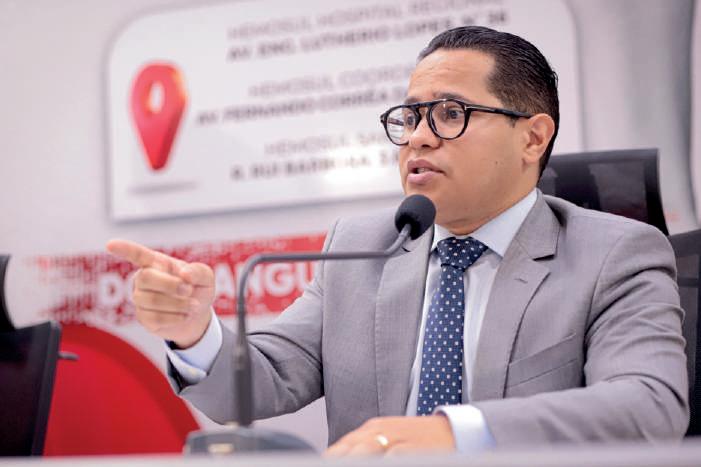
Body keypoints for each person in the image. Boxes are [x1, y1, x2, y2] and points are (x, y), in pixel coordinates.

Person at [107, 26, 688, 455]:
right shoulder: (362, 247)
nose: (419, 139)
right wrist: (193, 331)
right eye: (410, 118)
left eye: (451, 114)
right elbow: (262, 383)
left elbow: (649, 405)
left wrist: (451, 433)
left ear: (532, 138)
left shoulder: (614, 255)